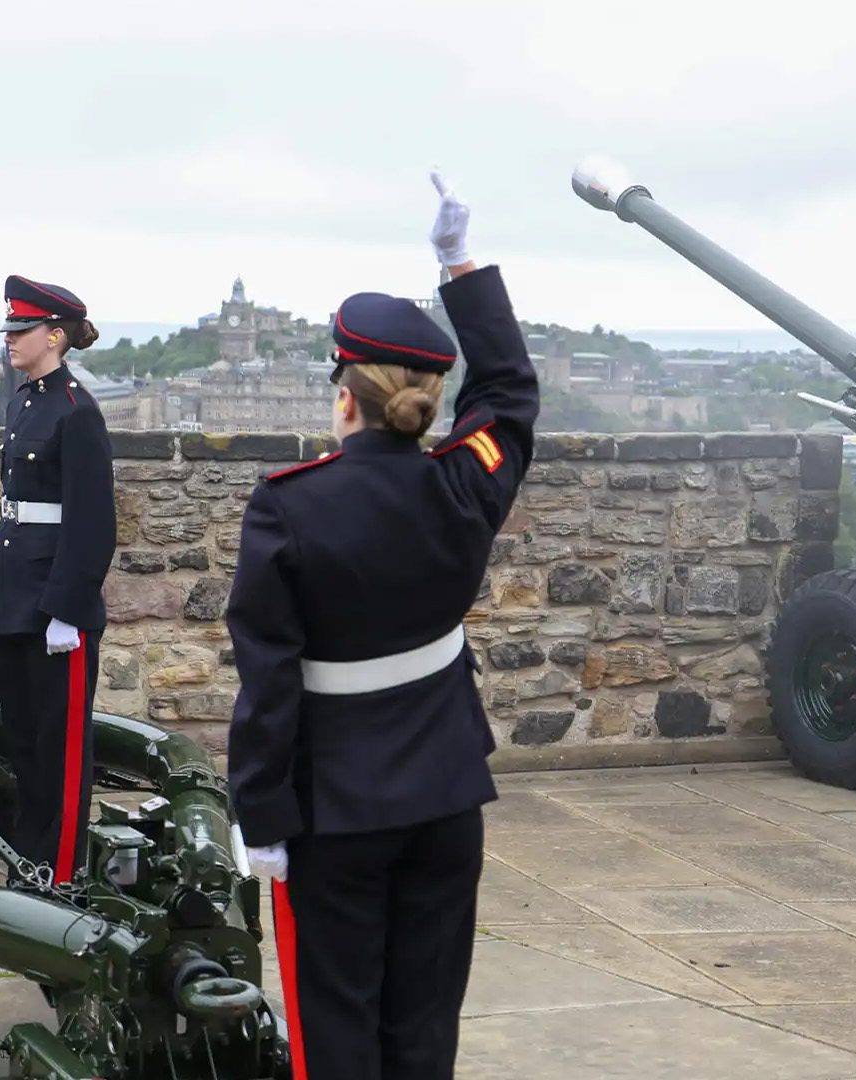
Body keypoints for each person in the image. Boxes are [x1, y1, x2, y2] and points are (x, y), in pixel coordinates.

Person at [224, 171, 537, 1079]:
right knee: (423, 1026)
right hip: (446, 792)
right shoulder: (464, 483)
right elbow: (511, 389)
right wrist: (458, 263)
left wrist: (262, 811)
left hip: (337, 810)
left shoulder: (289, 507)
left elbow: (270, 677)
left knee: (337, 1032)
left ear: (345, 396)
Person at [0, 274, 117, 885]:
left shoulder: (77, 412)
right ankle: (27, 863)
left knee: (60, 749)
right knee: (25, 741)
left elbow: (92, 520)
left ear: (54, 336)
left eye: (21, 329)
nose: (10, 339)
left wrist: (68, 606)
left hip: (55, 602)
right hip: (14, 592)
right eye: (9, 328)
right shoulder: (25, 401)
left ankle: (57, 872)